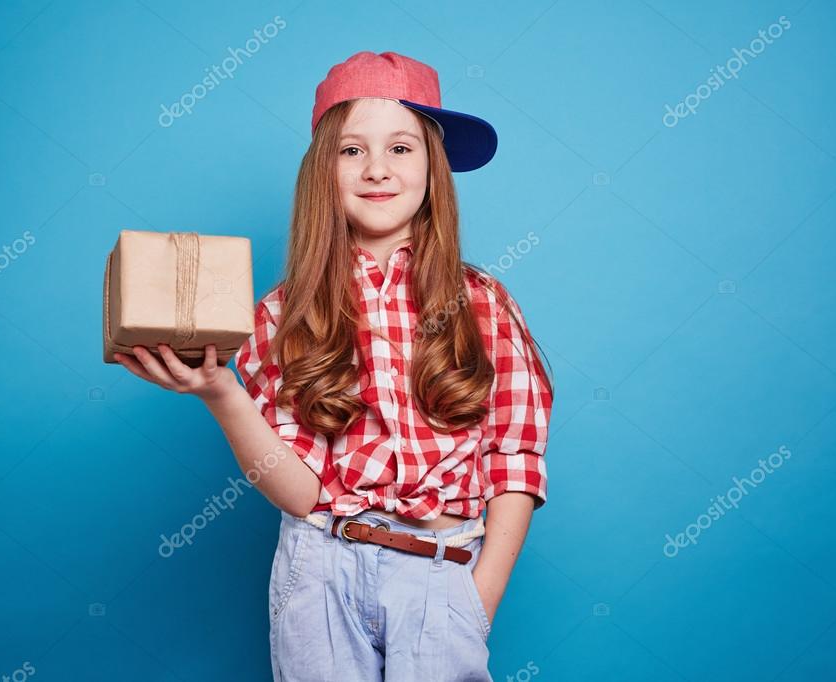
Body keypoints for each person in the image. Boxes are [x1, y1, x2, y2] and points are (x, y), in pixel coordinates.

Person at [114, 50, 554, 681]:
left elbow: (515, 458)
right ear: (323, 169)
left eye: (401, 148)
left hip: (443, 573)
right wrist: (221, 393)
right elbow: (303, 494)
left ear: (434, 167)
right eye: (352, 151)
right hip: (319, 573)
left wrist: (477, 598)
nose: (377, 169)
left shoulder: (481, 303)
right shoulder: (280, 316)